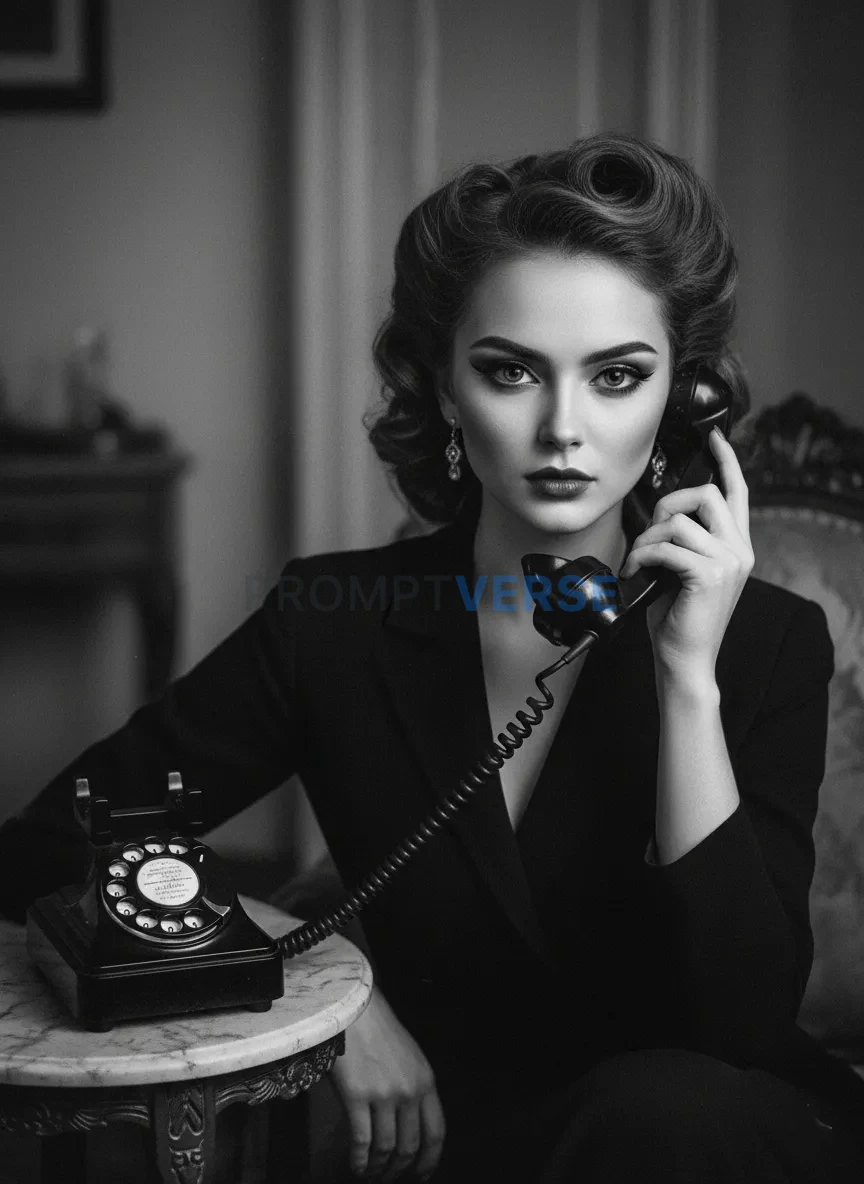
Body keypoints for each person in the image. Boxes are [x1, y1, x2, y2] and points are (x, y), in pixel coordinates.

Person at [1, 132, 862, 1183]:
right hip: (462, 1147)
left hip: (712, 1140)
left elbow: (739, 1019)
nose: (563, 429)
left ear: (683, 403)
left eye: (618, 376)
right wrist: (320, 975)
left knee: (659, 1111)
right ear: (447, 391)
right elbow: (45, 846)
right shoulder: (336, 618)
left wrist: (688, 675)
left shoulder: (773, 638)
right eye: (509, 371)